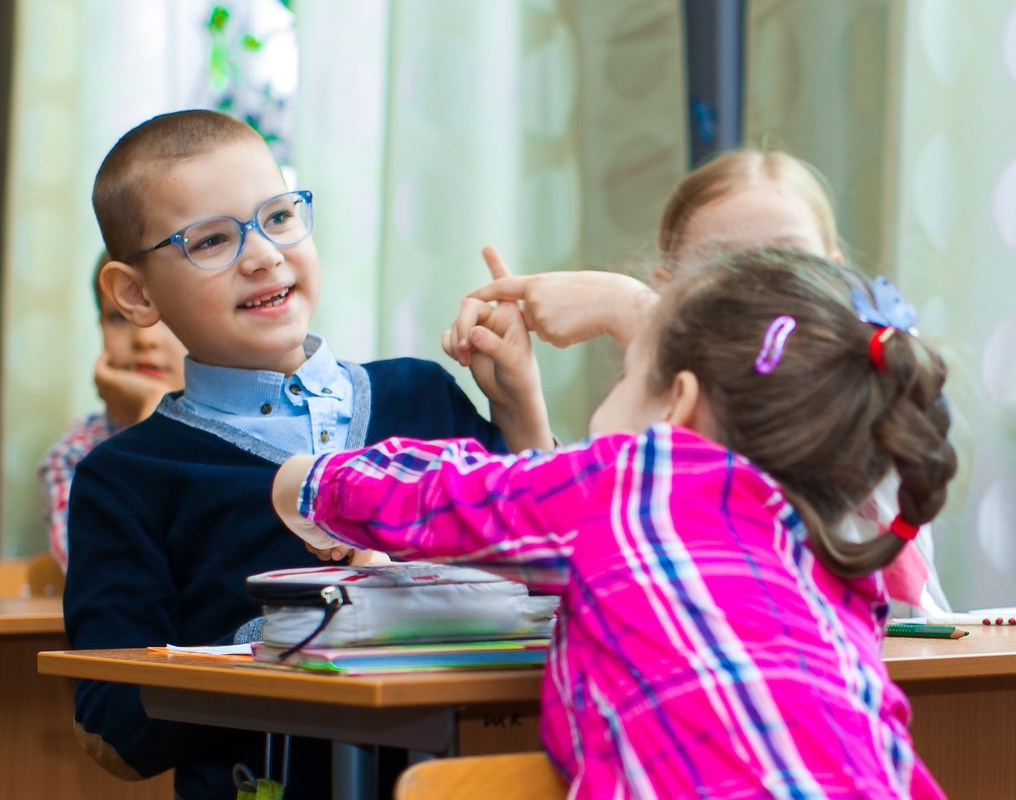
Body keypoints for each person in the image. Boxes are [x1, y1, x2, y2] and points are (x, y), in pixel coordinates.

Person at [274, 248, 957, 799]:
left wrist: (308, 482)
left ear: (676, 406)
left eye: (628, 372)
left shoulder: (642, 481)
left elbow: (445, 496)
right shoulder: (837, 570)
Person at [63, 109, 552, 800]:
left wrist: (522, 412)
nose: (264, 254)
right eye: (212, 240)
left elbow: (562, 581)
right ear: (136, 294)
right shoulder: (126, 479)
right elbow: (113, 724)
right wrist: (300, 629)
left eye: (279, 216)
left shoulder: (422, 396)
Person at [452, 148, 951, 618]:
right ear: (668, 286)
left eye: (789, 262)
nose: (756, 293)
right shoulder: (654, 415)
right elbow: (576, 551)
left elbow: (778, 544)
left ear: (836, 278)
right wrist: (522, 408)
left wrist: (640, 313)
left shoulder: (863, 397)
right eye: (721, 266)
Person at [35, 253, 187, 571]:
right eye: (119, 317)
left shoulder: (241, 431)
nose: (144, 338)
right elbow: (105, 575)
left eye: (166, 316)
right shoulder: (74, 457)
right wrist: (152, 417)